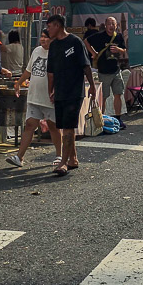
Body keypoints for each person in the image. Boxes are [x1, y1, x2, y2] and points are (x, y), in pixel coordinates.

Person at [45, 14, 95, 176]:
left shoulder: (75, 42)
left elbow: (86, 66)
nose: (48, 30)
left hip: (74, 91)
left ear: (58, 25)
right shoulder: (53, 46)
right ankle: (73, 159)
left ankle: (63, 163)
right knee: (64, 127)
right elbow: (50, 72)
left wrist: (92, 86)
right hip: (60, 91)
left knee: (68, 127)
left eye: (50, 26)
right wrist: (50, 90)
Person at [6, 30, 53, 168]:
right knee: (30, 125)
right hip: (34, 96)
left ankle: (60, 156)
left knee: (54, 127)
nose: (43, 39)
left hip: (49, 98)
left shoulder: (56, 52)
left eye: (46, 37)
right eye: (42, 37)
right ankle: (19, 157)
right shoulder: (36, 51)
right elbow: (28, 71)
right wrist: (19, 83)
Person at [87, 15, 129, 121]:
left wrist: (118, 49)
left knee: (118, 94)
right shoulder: (100, 36)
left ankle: (118, 118)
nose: (111, 26)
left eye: (113, 24)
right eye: (109, 24)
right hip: (103, 71)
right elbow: (86, 41)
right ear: (105, 25)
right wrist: (93, 53)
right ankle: (101, 119)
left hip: (116, 70)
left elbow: (124, 50)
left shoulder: (118, 36)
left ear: (116, 25)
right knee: (103, 97)